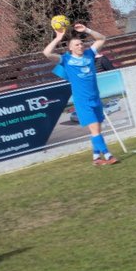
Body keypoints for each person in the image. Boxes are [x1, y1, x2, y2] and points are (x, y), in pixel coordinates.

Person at [42, 23, 119, 165]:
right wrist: (58, 38)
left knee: (97, 129)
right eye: (76, 45)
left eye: (81, 44)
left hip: (95, 98)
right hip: (83, 102)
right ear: (70, 48)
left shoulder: (89, 54)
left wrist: (87, 30)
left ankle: (96, 158)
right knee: (95, 129)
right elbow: (46, 53)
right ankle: (108, 156)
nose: (80, 46)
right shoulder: (66, 60)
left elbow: (101, 39)